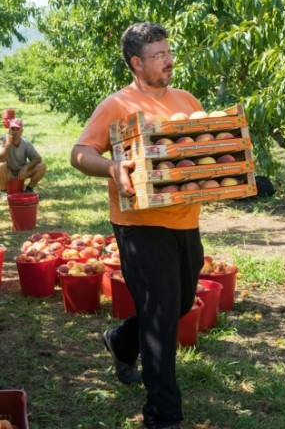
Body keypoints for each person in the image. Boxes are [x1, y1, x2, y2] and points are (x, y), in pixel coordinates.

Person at [70, 22, 205, 429]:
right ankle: (163, 415)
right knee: (161, 315)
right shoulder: (117, 104)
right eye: (159, 55)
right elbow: (79, 153)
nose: (169, 60)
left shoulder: (186, 99)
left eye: (169, 52)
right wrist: (112, 167)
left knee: (179, 304)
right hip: (138, 223)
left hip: (185, 219)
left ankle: (121, 340)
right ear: (135, 62)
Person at [0, 118, 46, 201]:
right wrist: (8, 144)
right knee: (0, 166)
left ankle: (29, 189)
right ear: (9, 130)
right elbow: (1, 159)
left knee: (41, 166)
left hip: (21, 173)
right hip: (8, 173)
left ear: (22, 131)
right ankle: (3, 192)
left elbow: (38, 158)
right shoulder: (3, 140)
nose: (14, 132)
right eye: (12, 129)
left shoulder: (26, 143)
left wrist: (26, 167)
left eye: (17, 129)